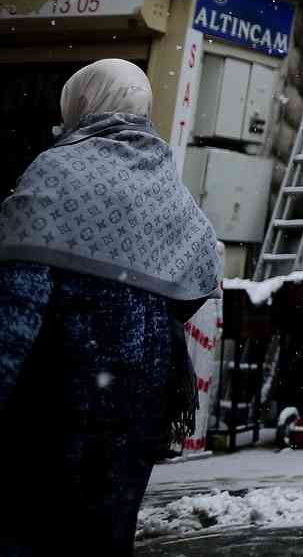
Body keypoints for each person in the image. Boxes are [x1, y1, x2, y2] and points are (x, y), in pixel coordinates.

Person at [0, 59, 222, 554]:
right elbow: (201, 275)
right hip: (138, 408)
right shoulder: (168, 185)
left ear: (80, 103)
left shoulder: (56, 170)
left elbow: (18, 306)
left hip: (56, 399)